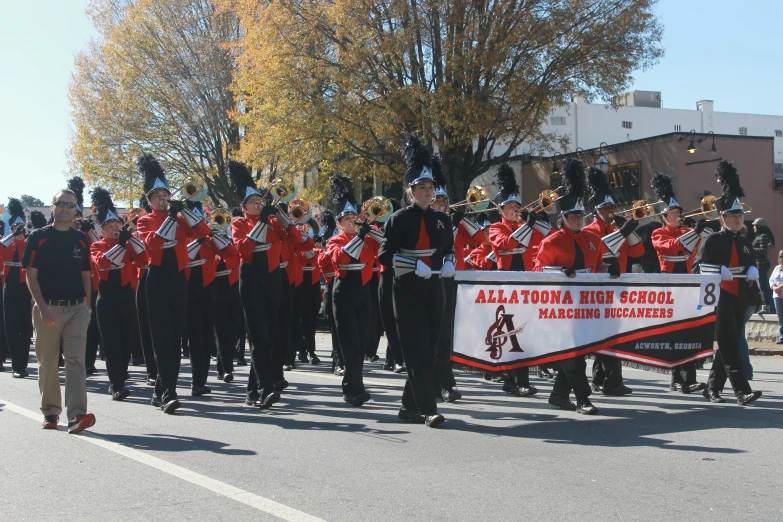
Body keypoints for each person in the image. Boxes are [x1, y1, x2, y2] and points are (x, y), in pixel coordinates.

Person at [378, 133, 455, 428]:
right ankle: (427, 409)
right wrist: (414, 263)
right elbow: (385, 256)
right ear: (411, 191)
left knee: (432, 349)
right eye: (422, 187)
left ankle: (407, 406)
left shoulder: (442, 219)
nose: (428, 191)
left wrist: (448, 262)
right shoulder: (398, 218)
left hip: (434, 287)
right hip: (408, 289)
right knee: (417, 349)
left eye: (431, 186)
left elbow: (448, 250)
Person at [135, 153, 211, 414]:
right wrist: (170, 219)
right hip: (156, 279)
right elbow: (152, 244)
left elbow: (203, 233)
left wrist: (187, 211)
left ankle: (163, 389)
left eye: (165, 195)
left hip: (179, 278)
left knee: (176, 336)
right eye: (157, 196)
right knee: (161, 337)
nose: (163, 199)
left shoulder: (179, 217)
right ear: (149, 200)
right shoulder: (144, 220)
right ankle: (169, 390)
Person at [534, 159, 610, 415]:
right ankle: (583, 398)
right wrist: (561, 273)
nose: (578, 220)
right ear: (563, 218)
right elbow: (538, 272)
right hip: (561, 305)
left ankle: (558, 396)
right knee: (572, 353)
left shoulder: (593, 239)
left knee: (579, 351)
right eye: (573, 216)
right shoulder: (552, 242)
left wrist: (611, 270)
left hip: (588, 303)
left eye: (581, 215)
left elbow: (598, 265)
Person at [22, 188, 96, 433]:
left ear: (77, 210)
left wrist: (87, 306)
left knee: (76, 361)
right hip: (48, 308)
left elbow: (86, 274)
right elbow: (31, 275)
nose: (65, 208)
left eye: (70, 205)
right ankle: (51, 412)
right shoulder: (38, 237)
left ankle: (77, 415)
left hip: (76, 309)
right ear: (52, 207)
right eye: (61, 204)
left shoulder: (80, 238)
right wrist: (43, 308)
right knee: (48, 363)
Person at [230, 160, 295, 409]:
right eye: (252, 202)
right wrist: (261, 223)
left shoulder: (274, 221)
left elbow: (298, 240)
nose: (258, 203)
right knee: (258, 336)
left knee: (269, 335)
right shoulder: (239, 223)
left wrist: (279, 216)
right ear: (243, 206)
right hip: (251, 279)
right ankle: (266, 388)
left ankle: (251, 389)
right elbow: (244, 250)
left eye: (260, 200)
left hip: (273, 279)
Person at [696, 160, 762, 406]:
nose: (737, 219)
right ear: (722, 218)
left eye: (740, 215)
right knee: (728, 344)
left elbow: (751, 261)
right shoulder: (713, 240)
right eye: (732, 215)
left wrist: (753, 269)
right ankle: (741, 392)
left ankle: (712, 388)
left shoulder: (745, 241)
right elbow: (698, 267)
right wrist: (717, 270)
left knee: (730, 343)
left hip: (740, 295)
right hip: (720, 296)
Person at [489, 162, 551, 397]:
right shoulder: (496, 227)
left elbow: (549, 236)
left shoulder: (527, 224)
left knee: (523, 331)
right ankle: (514, 379)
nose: (515, 210)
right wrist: (528, 226)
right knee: (511, 331)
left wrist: (536, 218)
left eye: (517, 205)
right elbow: (507, 244)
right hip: (506, 282)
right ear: (500, 210)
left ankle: (515, 379)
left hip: (526, 281)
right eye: (510, 207)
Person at [584, 167, 643, 396]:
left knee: (612, 334)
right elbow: (601, 249)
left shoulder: (619, 227)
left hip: (620, 286)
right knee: (608, 335)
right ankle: (612, 382)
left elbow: (638, 251)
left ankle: (600, 379)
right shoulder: (590, 230)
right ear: (595, 210)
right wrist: (622, 232)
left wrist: (629, 229)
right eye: (605, 208)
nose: (610, 212)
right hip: (601, 286)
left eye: (612, 208)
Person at [650, 173, 710, 395]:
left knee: (691, 332)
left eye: (679, 214)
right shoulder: (658, 232)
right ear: (664, 216)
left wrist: (700, 228)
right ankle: (677, 379)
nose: (678, 217)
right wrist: (694, 232)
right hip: (671, 285)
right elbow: (674, 248)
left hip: (689, 283)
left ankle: (688, 379)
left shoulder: (687, 230)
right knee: (676, 334)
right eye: (673, 214)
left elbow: (710, 241)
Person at [89, 187, 148, 401]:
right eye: (110, 226)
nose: (115, 229)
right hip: (106, 298)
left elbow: (143, 260)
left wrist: (131, 240)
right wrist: (122, 245)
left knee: (126, 340)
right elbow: (103, 264)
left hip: (126, 295)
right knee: (111, 341)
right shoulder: (97, 245)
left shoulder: (127, 243)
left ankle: (120, 378)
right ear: (102, 230)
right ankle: (116, 383)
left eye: (117, 225)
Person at [327, 174, 376, 407]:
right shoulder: (335, 240)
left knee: (362, 341)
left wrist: (372, 229)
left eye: (353, 217)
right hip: (344, 289)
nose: (351, 222)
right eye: (346, 219)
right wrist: (361, 236)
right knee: (350, 342)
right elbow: (342, 257)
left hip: (364, 289)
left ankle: (353, 384)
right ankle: (355, 389)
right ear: (338, 223)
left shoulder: (366, 236)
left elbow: (387, 243)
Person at [2, 198, 33, 378]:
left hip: (26, 287)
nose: (19, 232)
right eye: (15, 228)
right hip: (10, 286)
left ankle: (23, 363)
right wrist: (14, 235)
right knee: (12, 326)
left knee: (25, 327)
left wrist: (25, 236)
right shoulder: (7, 242)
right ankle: (16, 365)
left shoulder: (28, 242)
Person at [751, 218, 775, 313]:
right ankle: (761, 306)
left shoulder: (763, 236)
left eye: (754, 225)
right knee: (759, 286)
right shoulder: (759, 236)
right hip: (758, 264)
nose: (753, 227)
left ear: (759, 226)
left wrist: (751, 249)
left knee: (762, 286)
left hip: (761, 264)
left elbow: (763, 251)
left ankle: (765, 307)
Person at [769, 250, 783, 344]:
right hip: (776, 296)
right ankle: (782, 337)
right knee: (780, 317)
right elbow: (771, 280)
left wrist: (779, 288)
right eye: (781, 256)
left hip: (780, 292)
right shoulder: (777, 268)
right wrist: (775, 288)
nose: (782, 258)